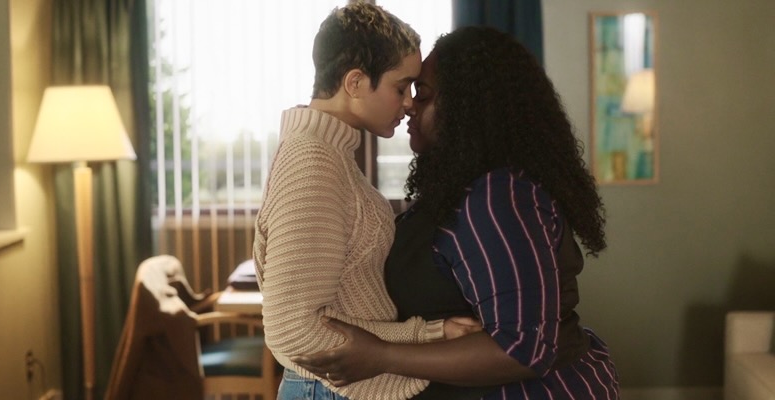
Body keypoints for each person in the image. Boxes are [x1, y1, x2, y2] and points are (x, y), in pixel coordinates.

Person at [291, 26, 621, 399]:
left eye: (423, 94)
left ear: (469, 108)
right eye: (406, 90)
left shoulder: (499, 199)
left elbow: (522, 348)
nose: (409, 105)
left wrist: (381, 354)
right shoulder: (461, 189)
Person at [253, 4, 478, 400]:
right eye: (400, 87)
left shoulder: (330, 156)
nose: (409, 102)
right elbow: (293, 329)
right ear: (355, 83)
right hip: (328, 390)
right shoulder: (313, 164)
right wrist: (425, 334)